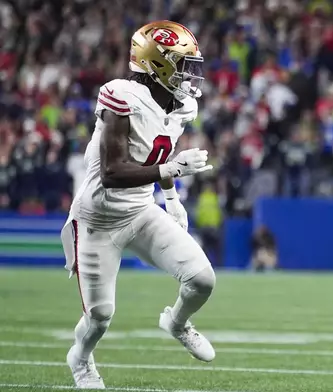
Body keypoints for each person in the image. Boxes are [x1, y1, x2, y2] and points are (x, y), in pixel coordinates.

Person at [60, 21, 216, 389]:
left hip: (141, 210)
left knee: (202, 279)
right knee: (100, 317)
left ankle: (176, 322)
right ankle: (80, 359)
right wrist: (173, 168)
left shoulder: (181, 105)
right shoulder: (120, 96)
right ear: (156, 62)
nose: (190, 74)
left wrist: (172, 198)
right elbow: (114, 171)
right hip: (98, 219)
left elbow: (154, 154)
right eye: (182, 64)